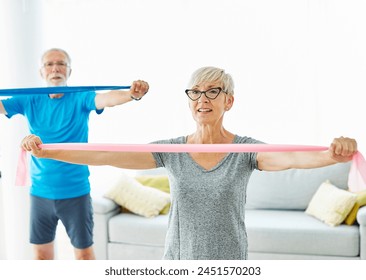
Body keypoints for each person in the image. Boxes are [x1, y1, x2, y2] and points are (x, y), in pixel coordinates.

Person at [21, 66, 357, 260]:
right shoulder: (173, 150)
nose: (202, 99)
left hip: (229, 262)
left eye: (213, 92)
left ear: (229, 100)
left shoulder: (246, 150)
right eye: (195, 92)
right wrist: (47, 150)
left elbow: (292, 157)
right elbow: (105, 154)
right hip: (178, 261)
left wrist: (333, 154)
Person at [0, 48, 149, 260]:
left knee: (84, 256)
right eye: (49, 64)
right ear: (41, 72)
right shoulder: (30, 99)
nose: (55, 68)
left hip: (75, 193)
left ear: (69, 70)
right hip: (40, 193)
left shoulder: (80, 96)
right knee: (41, 256)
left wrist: (131, 95)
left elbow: (107, 99)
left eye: (61, 63)